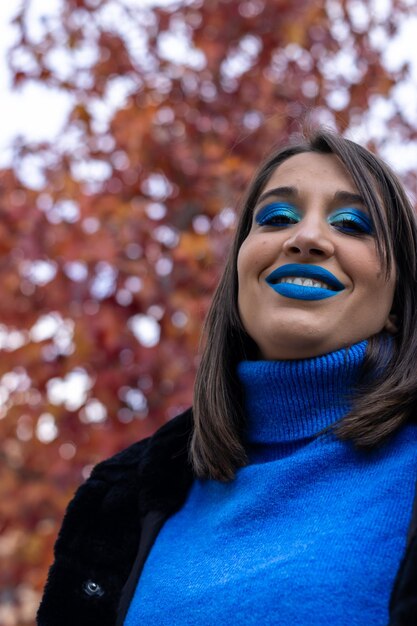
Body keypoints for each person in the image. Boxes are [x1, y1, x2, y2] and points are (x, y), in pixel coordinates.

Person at [37, 129, 417, 626]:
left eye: (352, 224)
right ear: (240, 274)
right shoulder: (121, 497)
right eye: (277, 218)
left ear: (397, 303)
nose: (305, 237)